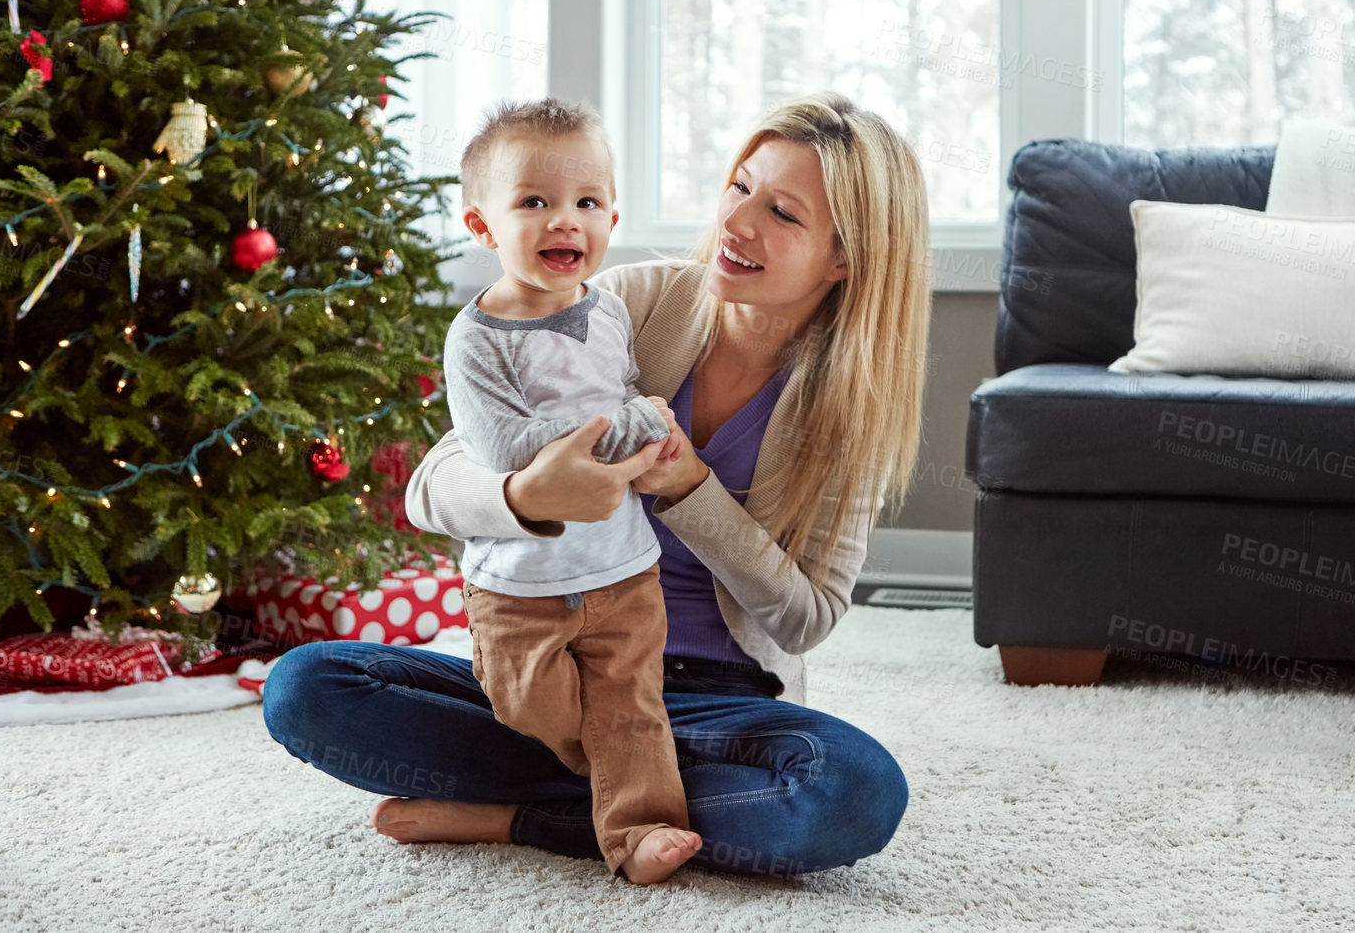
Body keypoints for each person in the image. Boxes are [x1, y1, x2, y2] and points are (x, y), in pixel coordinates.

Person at [261, 92, 931, 878]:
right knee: (308, 687)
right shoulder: (629, 303)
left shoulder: (850, 409)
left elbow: (807, 616)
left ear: (846, 256)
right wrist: (527, 498)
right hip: (552, 668)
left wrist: (691, 489)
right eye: (740, 187)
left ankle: (521, 816)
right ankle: (629, 798)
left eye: (782, 213)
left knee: (854, 793)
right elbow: (434, 483)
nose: (737, 222)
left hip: (706, 701)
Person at [443, 98, 699, 884]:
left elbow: (621, 398)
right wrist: (630, 424)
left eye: (586, 203)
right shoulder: (476, 339)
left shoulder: (613, 313)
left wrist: (639, 427)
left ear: (610, 218)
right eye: (535, 203)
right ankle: (575, 781)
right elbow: (504, 449)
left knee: (632, 706)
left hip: (623, 569)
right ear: (483, 226)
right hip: (519, 584)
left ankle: (640, 833)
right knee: (527, 705)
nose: (566, 221)